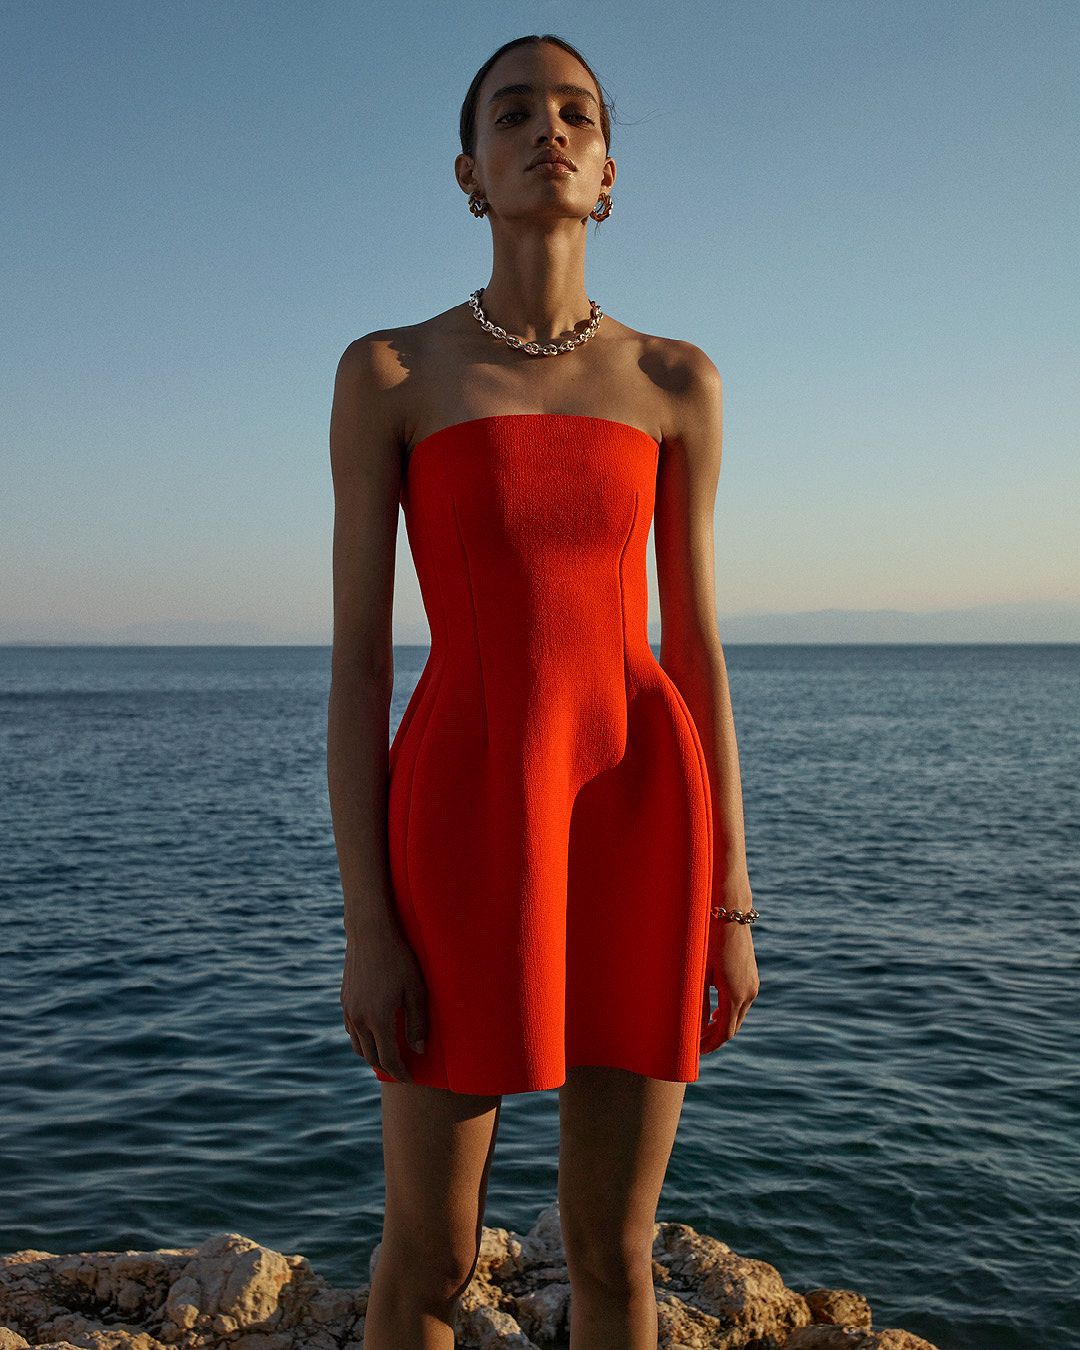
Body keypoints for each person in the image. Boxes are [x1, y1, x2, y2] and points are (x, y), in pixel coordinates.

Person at [325, 33, 760, 1350]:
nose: (548, 130)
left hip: (639, 806)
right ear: (470, 172)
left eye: (575, 114)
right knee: (431, 1253)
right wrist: (367, 922)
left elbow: (696, 648)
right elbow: (357, 662)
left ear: (610, 176)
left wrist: (729, 900)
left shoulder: (676, 380)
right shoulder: (393, 371)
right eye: (516, 114)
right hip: (462, 819)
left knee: (614, 1254)